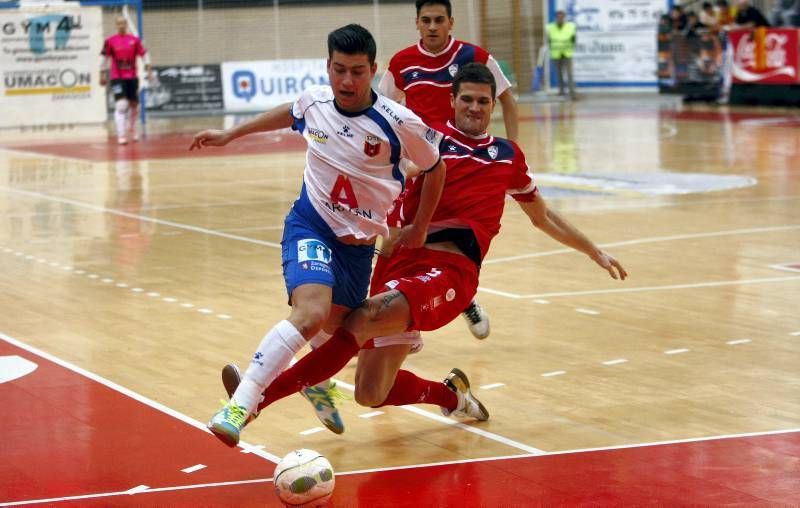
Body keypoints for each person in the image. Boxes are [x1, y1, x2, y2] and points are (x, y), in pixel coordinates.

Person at [220, 62, 627, 436]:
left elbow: (543, 217)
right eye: (466, 98)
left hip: (449, 271)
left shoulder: (506, 156)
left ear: (492, 107)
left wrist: (593, 251)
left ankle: (256, 400)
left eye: (483, 101)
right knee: (370, 391)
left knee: (357, 323)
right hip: (397, 264)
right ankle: (453, 396)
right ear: (452, 101)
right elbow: (388, 171)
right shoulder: (426, 138)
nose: (474, 107)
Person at [191, 24, 447, 447]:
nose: (347, 81)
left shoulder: (398, 123)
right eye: (339, 70)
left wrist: (419, 227)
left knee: (334, 340)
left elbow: (436, 168)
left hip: (358, 250)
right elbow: (291, 111)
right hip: (310, 224)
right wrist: (231, 134)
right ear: (328, 66)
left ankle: (313, 382)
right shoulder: (315, 102)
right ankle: (240, 405)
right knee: (310, 314)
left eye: (358, 72)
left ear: (373, 70)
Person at [378, 0, 520, 340]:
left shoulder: (476, 56)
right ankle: (381, 315)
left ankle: (457, 298)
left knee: (447, 244)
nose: (432, 27)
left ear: (451, 22)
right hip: (417, 167)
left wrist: (513, 154)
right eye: (426, 20)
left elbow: (508, 100)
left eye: (438, 20)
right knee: (393, 241)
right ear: (416, 23)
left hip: (458, 168)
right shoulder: (402, 63)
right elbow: (380, 111)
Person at [100, 15, 151, 145]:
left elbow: (144, 55)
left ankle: (132, 128)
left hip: (132, 77)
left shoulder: (134, 40)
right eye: (119, 24)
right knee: (121, 105)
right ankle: (121, 135)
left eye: (123, 23)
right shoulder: (110, 41)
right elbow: (104, 58)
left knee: (134, 106)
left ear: (126, 24)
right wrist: (102, 74)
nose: (121, 26)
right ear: (116, 25)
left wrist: (148, 70)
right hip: (117, 78)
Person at [546, 10, 578, 99]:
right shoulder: (550, 27)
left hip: (567, 53)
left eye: (562, 17)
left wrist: (569, 47)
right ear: (556, 17)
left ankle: (572, 93)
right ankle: (561, 92)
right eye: (558, 17)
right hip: (556, 54)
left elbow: (574, 39)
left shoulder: (570, 26)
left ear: (564, 17)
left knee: (569, 73)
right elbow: (549, 40)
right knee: (559, 74)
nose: (560, 18)